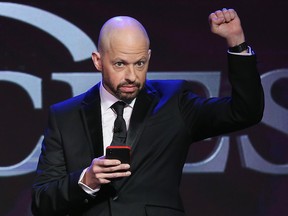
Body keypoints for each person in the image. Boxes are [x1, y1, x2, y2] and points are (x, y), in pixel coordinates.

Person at [31, 8, 264, 216]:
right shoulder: (65, 116)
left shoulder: (174, 102)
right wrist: (86, 180)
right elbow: (42, 201)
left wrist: (237, 42)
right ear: (98, 61)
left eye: (140, 63)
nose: (132, 76)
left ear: (149, 57)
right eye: (120, 64)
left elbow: (245, 112)